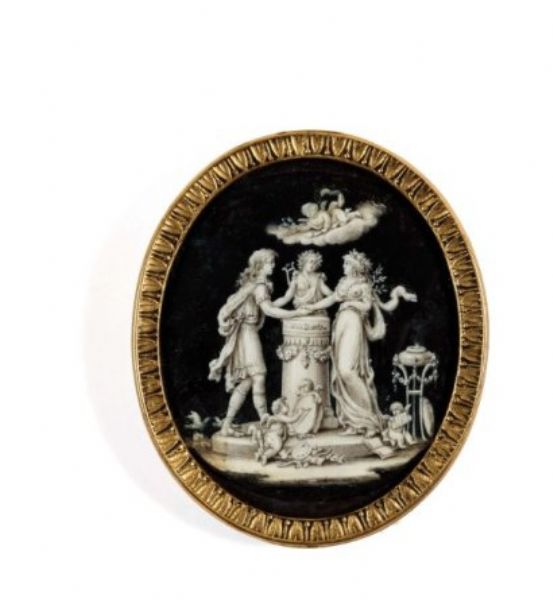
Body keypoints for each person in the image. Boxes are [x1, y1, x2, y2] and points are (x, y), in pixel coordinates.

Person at [305, 250, 417, 436]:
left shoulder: (364, 285)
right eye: (345, 263)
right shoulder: (343, 282)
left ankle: (370, 419)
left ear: (355, 267)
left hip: (354, 324)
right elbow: (332, 299)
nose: (344, 266)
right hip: (340, 324)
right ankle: (354, 422)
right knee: (342, 374)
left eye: (347, 264)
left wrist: (350, 304)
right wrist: (312, 306)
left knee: (347, 371)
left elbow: (367, 305)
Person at [208, 249, 310, 437]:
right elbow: (269, 311)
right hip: (247, 335)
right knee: (259, 375)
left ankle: (226, 425)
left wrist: (292, 290)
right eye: (270, 263)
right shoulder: (259, 285)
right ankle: (264, 418)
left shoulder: (256, 285)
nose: (273, 266)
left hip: (246, 334)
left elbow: (274, 304)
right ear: (260, 265)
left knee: (247, 381)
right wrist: (296, 313)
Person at [273, 250, 333, 316]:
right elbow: (286, 297)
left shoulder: (318, 278)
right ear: (304, 262)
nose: (313, 265)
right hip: (301, 311)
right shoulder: (296, 278)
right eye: (311, 262)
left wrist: (337, 296)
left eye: (315, 263)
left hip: (317, 312)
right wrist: (271, 306)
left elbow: (329, 293)